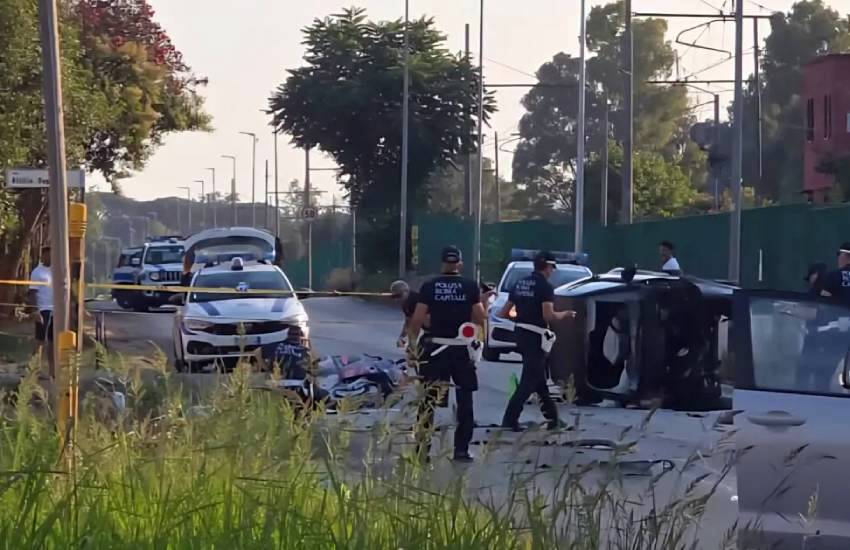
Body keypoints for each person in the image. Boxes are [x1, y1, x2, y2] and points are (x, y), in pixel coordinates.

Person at [408, 245, 486, 462]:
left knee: (428, 401)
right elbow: (480, 318)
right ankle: (461, 450)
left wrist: (412, 346)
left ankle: (421, 451)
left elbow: (417, 319)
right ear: (459, 264)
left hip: (434, 350)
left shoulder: (429, 286)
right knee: (465, 400)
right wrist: (484, 301)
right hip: (460, 350)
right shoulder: (471, 286)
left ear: (443, 263)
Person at [499, 251, 576, 431]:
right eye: (552, 268)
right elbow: (548, 315)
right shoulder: (545, 287)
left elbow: (504, 313)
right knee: (528, 381)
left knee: (539, 380)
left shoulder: (519, 283)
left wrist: (521, 319)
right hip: (535, 337)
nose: (552, 271)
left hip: (520, 334)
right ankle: (509, 419)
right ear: (547, 267)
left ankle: (553, 420)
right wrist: (565, 315)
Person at [27, 246, 54, 375]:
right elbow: (32, 293)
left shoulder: (56, 270)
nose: (50, 257)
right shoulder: (37, 272)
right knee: (40, 341)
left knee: (53, 342)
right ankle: (32, 371)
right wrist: (36, 311)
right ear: (43, 256)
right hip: (43, 309)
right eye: (47, 255)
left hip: (55, 309)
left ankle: (52, 372)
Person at [391, 280, 420, 348]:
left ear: (406, 291)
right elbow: (408, 323)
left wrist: (406, 341)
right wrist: (401, 337)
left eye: (399, 295)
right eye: (395, 297)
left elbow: (416, 324)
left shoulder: (416, 299)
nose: (397, 299)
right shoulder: (405, 304)